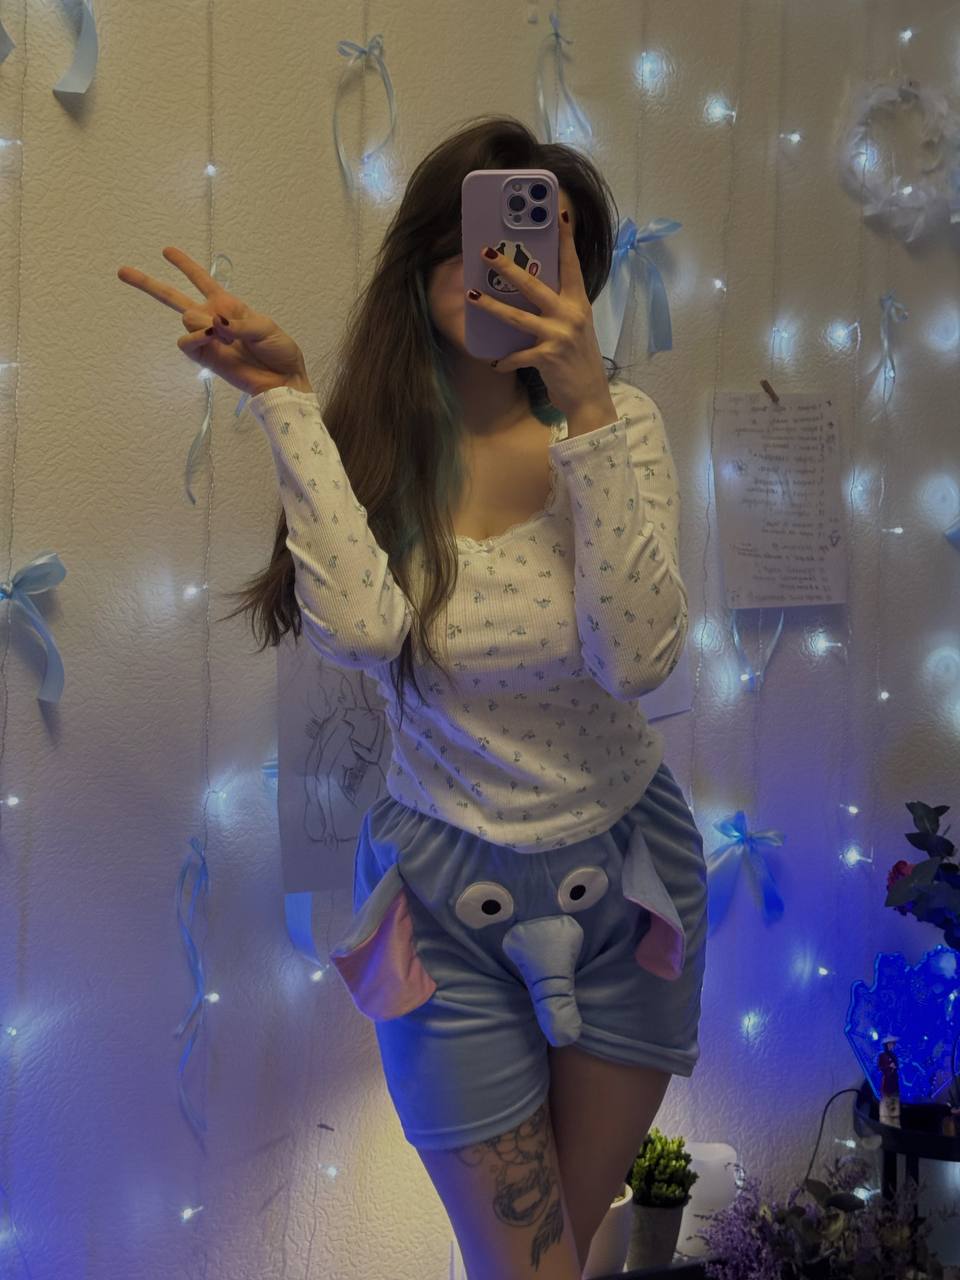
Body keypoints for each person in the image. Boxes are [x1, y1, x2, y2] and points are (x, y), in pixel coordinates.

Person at [118, 114, 708, 1280]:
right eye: (486, 237)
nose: (511, 266)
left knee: (560, 1254)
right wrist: (283, 397)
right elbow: (362, 632)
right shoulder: (373, 444)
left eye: (549, 244)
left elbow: (637, 658)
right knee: (521, 1265)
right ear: (428, 255)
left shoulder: (621, 427)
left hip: (628, 884)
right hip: (444, 902)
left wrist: (588, 406)